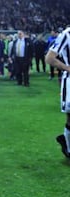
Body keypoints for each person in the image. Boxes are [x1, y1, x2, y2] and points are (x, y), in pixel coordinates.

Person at [45, 27, 70, 159]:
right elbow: (49, 58)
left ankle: (66, 142)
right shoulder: (66, 35)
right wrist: (67, 68)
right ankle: (68, 147)